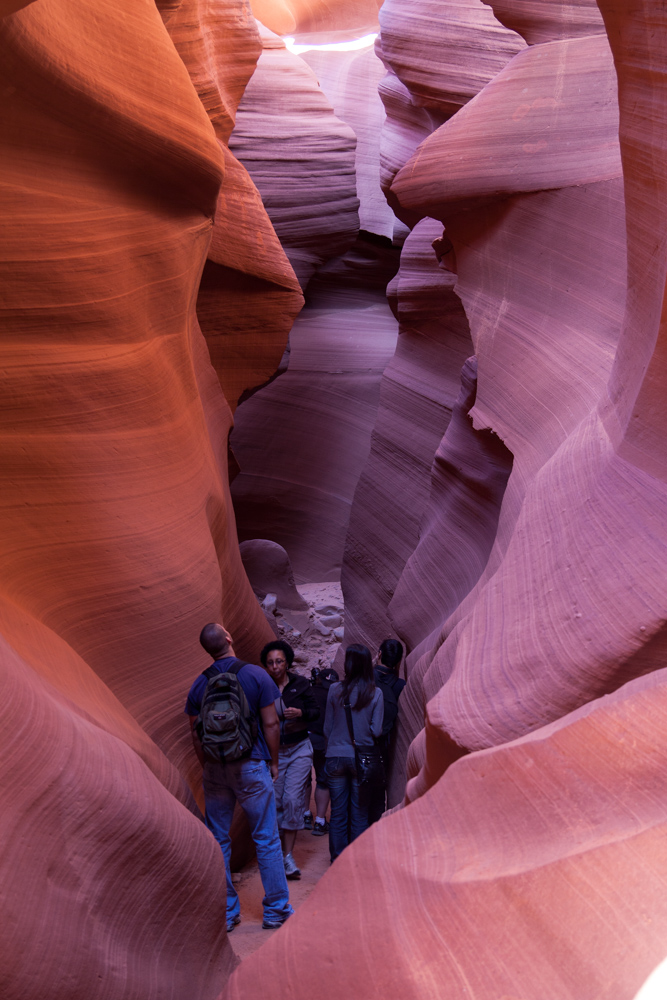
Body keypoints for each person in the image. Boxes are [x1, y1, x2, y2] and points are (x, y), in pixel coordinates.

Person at [185, 623, 293, 933]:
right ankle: (275, 910)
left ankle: (229, 911)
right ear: (229, 638)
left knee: (218, 840)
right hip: (251, 765)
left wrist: (208, 766)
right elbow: (271, 724)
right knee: (267, 838)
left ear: (208, 649)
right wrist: (272, 762)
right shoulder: (256, 675)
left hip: (215, 770)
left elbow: (195, 735)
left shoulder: (198, 685)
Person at [260, 640, 320, 880]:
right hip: (274, 752)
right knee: (274, 802)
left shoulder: (301, 684)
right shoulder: (263, 686)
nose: (275, 667)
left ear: (287, 662)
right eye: (271, 663)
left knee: (293, 799)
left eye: (279, 661)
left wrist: (301, 713)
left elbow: (316, 712)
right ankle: (275, 856)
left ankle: (288, 857)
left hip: (299, 749)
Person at [324, 644, 383, 862]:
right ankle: (356, 861)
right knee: (359, 812)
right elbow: (376, 730)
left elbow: (326, 728)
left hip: (336, 756)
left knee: (338, 812)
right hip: (362, 759)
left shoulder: (334, 690)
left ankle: (338, 861)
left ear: (347, 663)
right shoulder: (375, 693)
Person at [369, 638, 406, 824]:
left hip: (359, 742)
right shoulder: (401, 686)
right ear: (399, 661)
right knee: (377, 793)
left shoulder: (365, 680)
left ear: (379, 654)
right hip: (385, 746)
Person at [303, 666, 339, 836]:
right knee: (323, 780)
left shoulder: (308, 691)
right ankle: (320, 821)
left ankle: (305, 815)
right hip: (323, 741)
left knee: (304, 778)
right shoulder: (336, 695)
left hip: (302, 738)